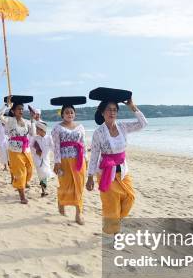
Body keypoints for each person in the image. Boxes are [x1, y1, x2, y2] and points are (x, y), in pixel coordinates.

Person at [86, 88, 147, 234]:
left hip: (123, 171)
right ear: (102, 112)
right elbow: (94, 155)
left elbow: (143, 124)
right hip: (106, 172)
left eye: (114, 110)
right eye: (109, 109)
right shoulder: (98, 133)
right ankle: (114, 233)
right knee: (111, 206)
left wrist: (132, 106)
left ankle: (113, 225)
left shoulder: (123, 127)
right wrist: (90, 177)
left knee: (130, 198)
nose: (112, 112)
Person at [51, 96, 88, 225]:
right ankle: (61, 202)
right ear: (62, 114)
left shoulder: (81, 127)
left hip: (79, 160)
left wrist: (86, 160)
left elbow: (83, 143)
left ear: (75, 114)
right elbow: (56, 146)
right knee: (65, 184)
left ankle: (79, 213)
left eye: (72, 112)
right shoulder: (57, 128)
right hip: (64, 160)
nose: (69, 114)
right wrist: (57, 161)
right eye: (66, 112)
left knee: (79, 185)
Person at [0, 95, 36, 204]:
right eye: (19, 109)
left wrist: (32, 119)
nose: (21, 111)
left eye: (22, 109)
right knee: (20, 173)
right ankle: (22, 196)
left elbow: (33, 133)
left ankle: (21, 183)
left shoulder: (26, 121)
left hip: (26, 150)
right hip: (14, 150)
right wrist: (6, 105)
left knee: (30, 170)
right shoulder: (9, 120)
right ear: (13, 111)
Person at [31, 121, 55, 197]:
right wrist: (36, 151)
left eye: (37, 129)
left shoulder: (49, 137)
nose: (36, 130)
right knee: (41, 173)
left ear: (42, 129)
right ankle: (43, 190)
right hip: (37, 158)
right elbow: (30, 146)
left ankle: (43, 190)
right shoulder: (35, 138)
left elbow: (53, 148)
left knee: (45, 174)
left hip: (46, 159)